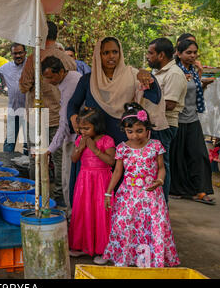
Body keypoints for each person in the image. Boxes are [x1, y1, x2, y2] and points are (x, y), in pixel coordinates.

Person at [67, 36, 162, 207]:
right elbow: (73, 104)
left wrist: (147, 78)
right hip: (93, 142)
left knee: (119, 183)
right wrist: (73, 117)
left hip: (121, 139)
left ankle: (117, 222)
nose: (111, 56)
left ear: (120, 53)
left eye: (115, 52)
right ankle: (90, 220)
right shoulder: (88, 80)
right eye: (106, 53)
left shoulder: (133, 76)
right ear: (98, 55)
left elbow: (154, 96)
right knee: (89, 187)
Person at [102, 103, 180, 267]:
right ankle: (126, 257)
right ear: (125, 131)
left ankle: (151, 259)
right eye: (130, 132)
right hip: (128, 196)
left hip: (151, 196)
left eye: (139, 131)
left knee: (151, 227)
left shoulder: (155, 146)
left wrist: (159, 181)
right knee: (126, 225)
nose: (135, 136)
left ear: (147, 129)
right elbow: (117, 172)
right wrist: (108, 193)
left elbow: (161, 168)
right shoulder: (122, 148)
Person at [19, 21, 77, 204]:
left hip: (38, 117)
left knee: (36, 158)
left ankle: (36, 195)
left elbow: (23, 86)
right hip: (61, 117)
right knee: (61, 161)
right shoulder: (67, 59)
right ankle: (60, 198)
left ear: (40, 35)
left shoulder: (34, 58)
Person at [169, 39, 215, 205]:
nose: (193, 55)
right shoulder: (174, 71)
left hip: (192, 118)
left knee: (199, 155)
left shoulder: (194, 71)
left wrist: (201, 81)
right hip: (178, 119)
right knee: (178, 156)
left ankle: (201, 191)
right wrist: (182, 81)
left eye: (194, 52)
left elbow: (195, 95)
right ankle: (177, 189)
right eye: (188, 52)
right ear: (179, 53)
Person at [68, 107, 115, 264]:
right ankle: (83, 246)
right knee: (84, 211)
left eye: (86, 128)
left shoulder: (107, 140)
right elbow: (74, 159)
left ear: (97, 125)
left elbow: (111, 161)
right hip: (84, 181)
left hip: (102, 181)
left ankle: (104, 250)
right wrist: (80, 147)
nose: (83, 132)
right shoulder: (80, 139)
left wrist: (94, 149)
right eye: (81, 128)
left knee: (101, 213)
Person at [146, 37, 188, 204]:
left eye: (150, 53)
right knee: (153, 166)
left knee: (161, 166)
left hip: (164, 125)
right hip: (155, 124)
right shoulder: (158, 72)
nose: (148, 56)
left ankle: (161, 206)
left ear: (161, 55)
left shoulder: (174, 74)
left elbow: (170, 104)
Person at [41, 56, 82, 210]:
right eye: (45, 78)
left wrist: (49, 150)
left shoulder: (70, 84)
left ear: (60, 72)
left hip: (74, 137)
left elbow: (64, 123)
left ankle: (72, 213)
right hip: (72, 135)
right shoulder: (69, 78)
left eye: (50, 77)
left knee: (68, 178)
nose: (48, 81)